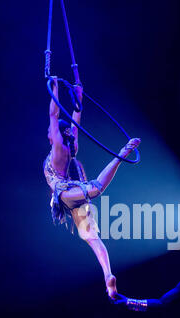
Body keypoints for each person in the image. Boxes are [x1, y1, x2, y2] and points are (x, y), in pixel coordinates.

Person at [43, 77, 141, 299]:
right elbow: (75, 120)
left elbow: (54, 114)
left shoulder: (58, 148)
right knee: (93, 239)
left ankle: (122, 152)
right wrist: (78, 98)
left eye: (50, 131)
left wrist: (55, 86)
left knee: (96, 189)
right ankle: (107, 276)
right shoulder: (70, 143)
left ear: (55, 134)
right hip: (72, 194)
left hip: (66, 194)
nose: (48, 133)